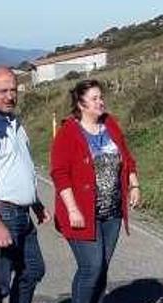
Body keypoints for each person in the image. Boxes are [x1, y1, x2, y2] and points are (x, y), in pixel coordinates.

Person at [50, 79, 141, 303]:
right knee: (91, 267)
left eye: (101, 97)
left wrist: (134, 184)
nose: (101, 102)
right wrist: (72, 210)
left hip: (111, 212)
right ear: (81, 104)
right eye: (94, 99)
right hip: (82, 213)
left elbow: (126, 157)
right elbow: (59, 174)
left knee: (101, 269)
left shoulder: (110, 125)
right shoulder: (68, 132)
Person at [0, 66, 48, 303]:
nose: (10, 96)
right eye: (3, 91)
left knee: (33, 269)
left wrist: (35, 201)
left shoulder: (11, 120)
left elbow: (19, 165)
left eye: (13, 90)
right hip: (4, 212)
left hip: (22, 213)